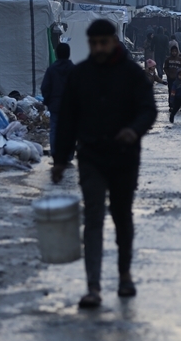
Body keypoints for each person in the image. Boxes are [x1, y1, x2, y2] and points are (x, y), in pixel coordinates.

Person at [52, 19, 158, 308]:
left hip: (125, 157)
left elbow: (149, 109)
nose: (98, 48)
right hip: (92, 157)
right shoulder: (80, 75)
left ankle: (124, 274)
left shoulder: (132, 74)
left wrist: (134, 130)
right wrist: (60, 159)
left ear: (113, 41)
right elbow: (67, 120)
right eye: (93, 43)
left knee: (122, 216)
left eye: (103, 42)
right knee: (94, 218)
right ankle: (93, 287)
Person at [41, 43, 75, 152]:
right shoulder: (74, 69)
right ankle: (68, 154)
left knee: (55, 130)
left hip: (55, 105)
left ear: (56, 54)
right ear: (69, 54)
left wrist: (47, 101)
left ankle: (56, 153)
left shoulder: (51, 69)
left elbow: (45, 87)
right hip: (70, 106)